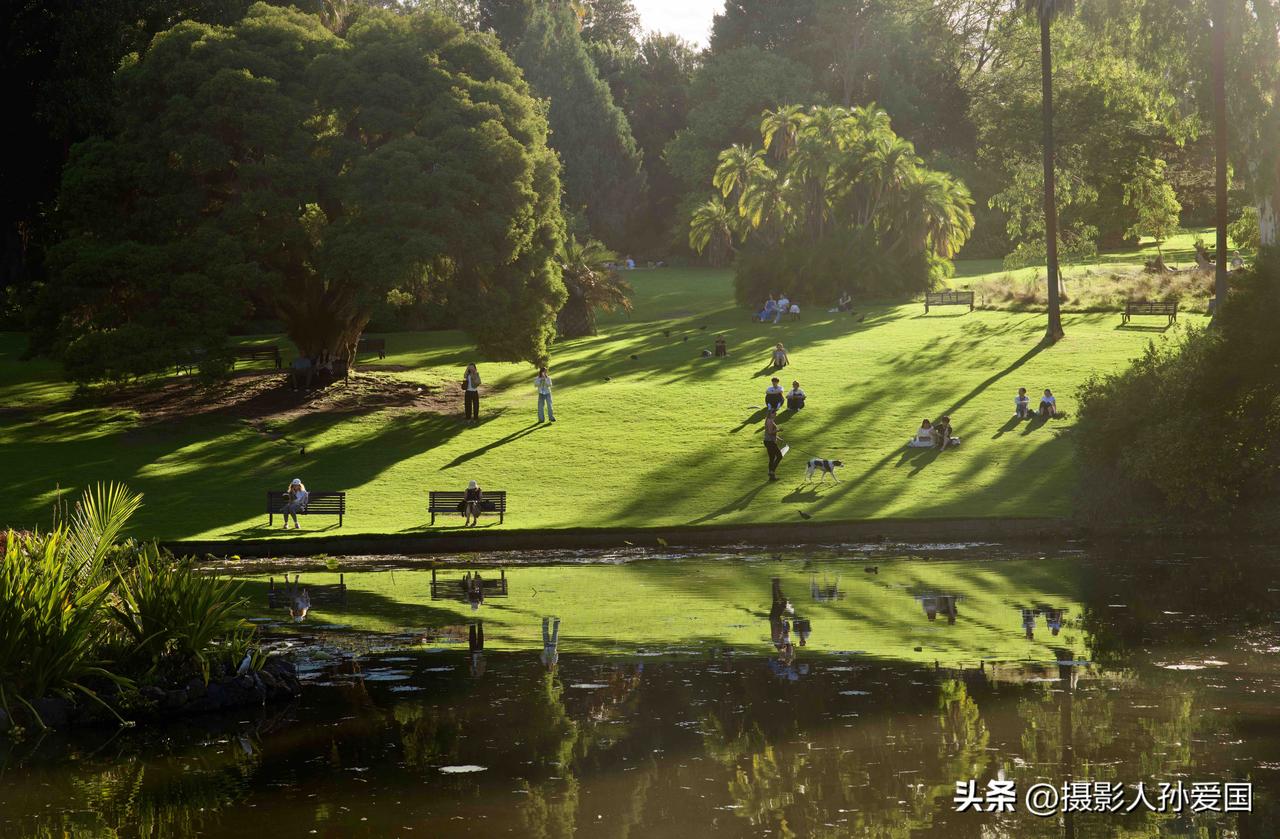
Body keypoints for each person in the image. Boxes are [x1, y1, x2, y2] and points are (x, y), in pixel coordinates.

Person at [764, 409, 785, 480]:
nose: (776, 414)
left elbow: (770, 433)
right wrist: (779, 430)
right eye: (774, 413)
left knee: (772, 458)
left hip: (768, 441)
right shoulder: (769, 421)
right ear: (770, 414)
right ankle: (771, 471)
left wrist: (779, 439)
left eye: (776, 412)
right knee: (779, 456)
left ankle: (771, 477)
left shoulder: (769, 420)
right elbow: (770, 432)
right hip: (770, 442)